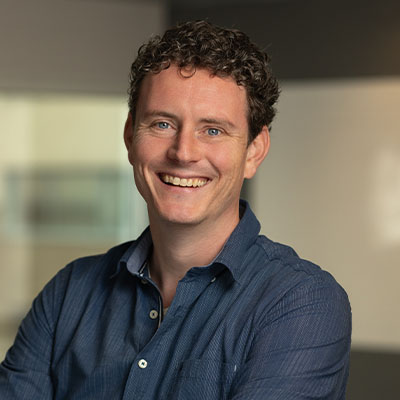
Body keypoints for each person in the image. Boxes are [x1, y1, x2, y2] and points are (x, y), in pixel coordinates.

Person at [0, 20, 351, 399]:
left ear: (254, 150)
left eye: (213, 130)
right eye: (163, 124)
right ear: (130, 136)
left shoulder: (300, 303)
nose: (183, 153)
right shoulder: (69, 293)